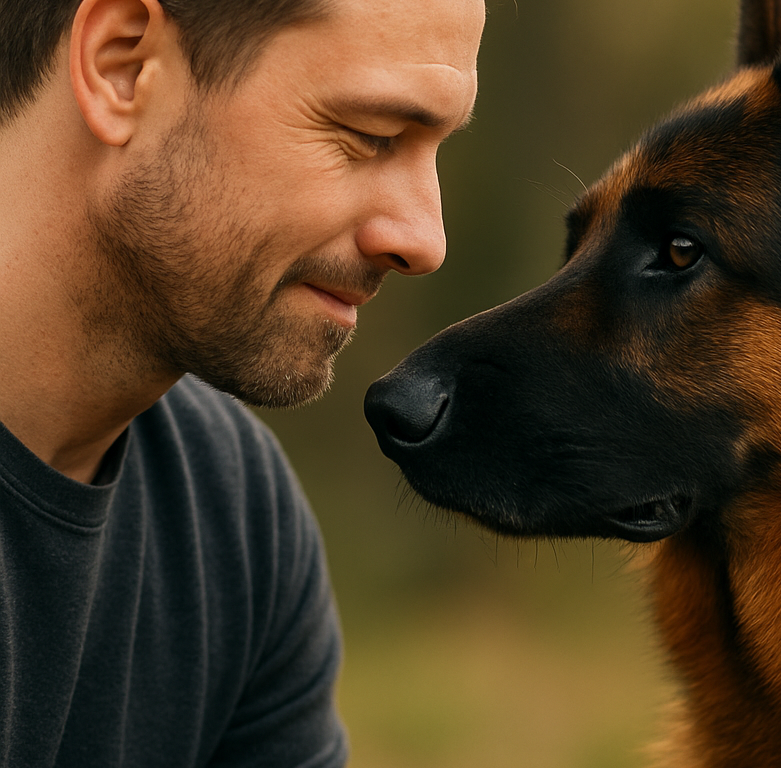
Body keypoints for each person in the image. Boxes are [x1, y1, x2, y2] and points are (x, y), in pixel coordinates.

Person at [0, 0, 484, 763]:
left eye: (435, 150)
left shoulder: (234, 517)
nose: (426, 240)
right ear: (124, 66)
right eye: (370, 136)